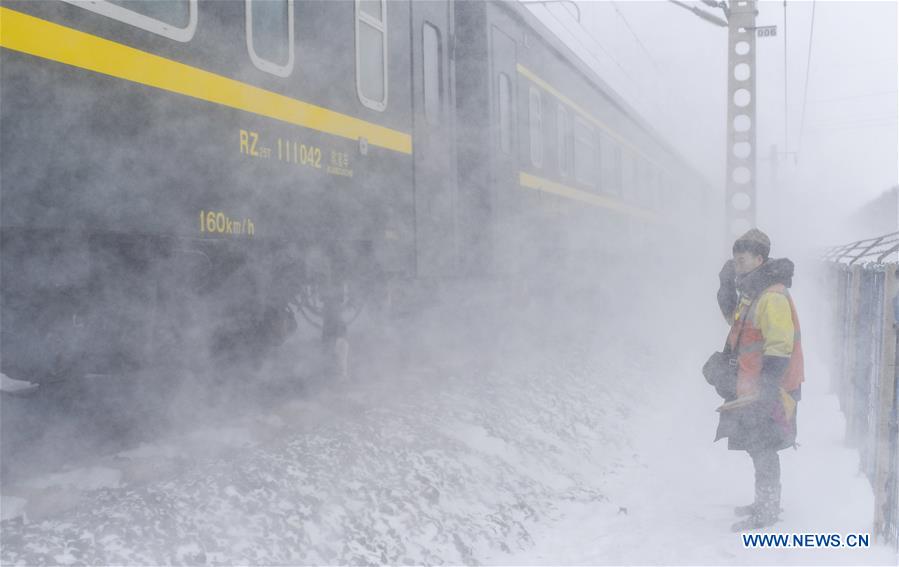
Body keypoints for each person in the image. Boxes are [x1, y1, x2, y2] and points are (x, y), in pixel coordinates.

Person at [715, 228, 805, 532]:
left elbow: (780, 346)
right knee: (757, 446)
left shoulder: (772, 297)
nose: (737, 265)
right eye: (734, 260)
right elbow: (738, 326)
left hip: (770, 388)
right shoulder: (755, 294)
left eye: (742, 260)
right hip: (754, 387)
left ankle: (766, 511)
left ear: (759, 259)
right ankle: (763, 503)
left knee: (764, 447)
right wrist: (726, 287)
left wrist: (767, 389)